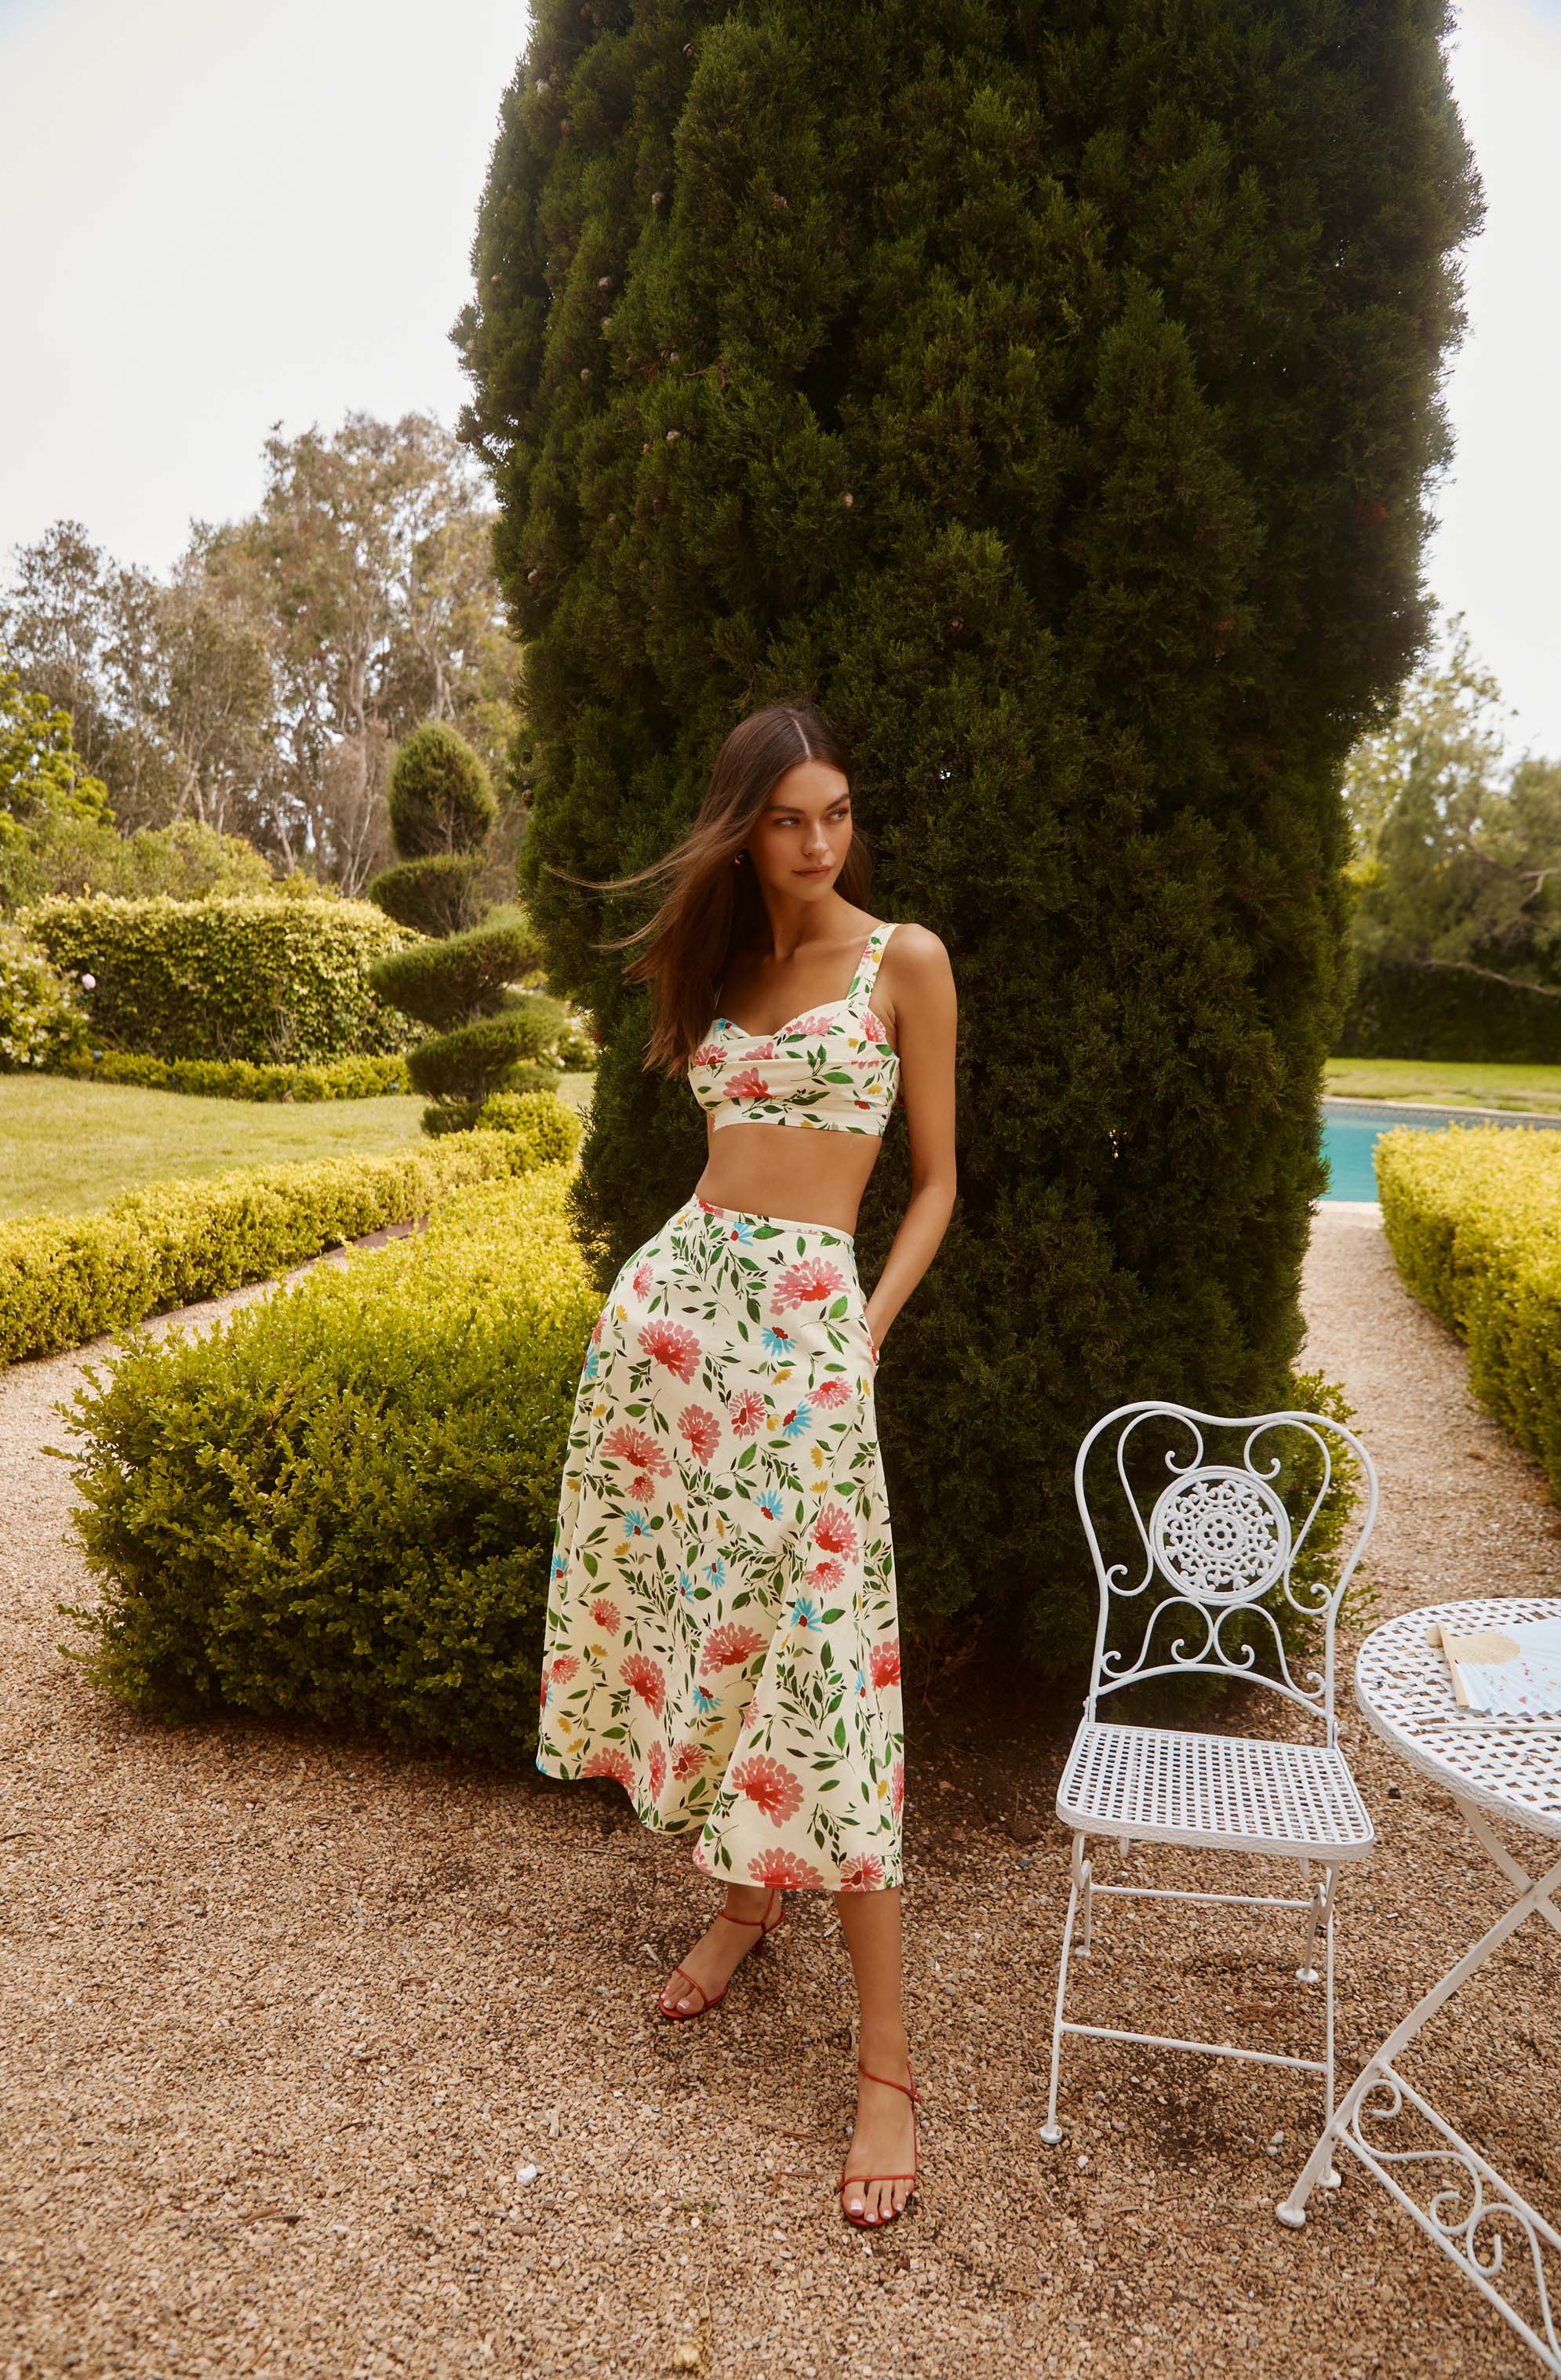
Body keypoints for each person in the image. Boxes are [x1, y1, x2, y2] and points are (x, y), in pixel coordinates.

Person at [536, 702, 957, 2228]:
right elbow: (713, 1168)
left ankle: (885, 2071)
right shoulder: (720, 969)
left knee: (829, 1669)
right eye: (789, 818)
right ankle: (736, 1904)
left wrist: (865, 1332)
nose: (819, 841)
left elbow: (934, 1184)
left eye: (835, 812)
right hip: (675, 1330)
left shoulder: (901, 959)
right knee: (709, 1628)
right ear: (745, 824)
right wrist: (647, 1315)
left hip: (806, 1341)